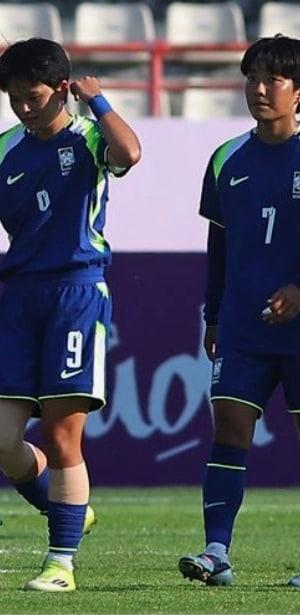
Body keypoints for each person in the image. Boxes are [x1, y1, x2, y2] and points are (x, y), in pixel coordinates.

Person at [0, 38, 141, 592]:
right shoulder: (3, 152)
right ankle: (67, 507)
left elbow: (131, 154)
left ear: (62, 89)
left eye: (34, 95)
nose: (24, 106)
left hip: (75, 294)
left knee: (63, 436)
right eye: (15, 97)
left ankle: (61, 564)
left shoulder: (91, 136)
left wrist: (100, 102)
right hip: (20, 300)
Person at [178, 35, 300, 588]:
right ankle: (216, 553)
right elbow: (219, 244)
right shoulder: (227, 157)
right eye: (252, 77)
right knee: (229, 429)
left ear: (299, 90)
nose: (259, 89)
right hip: (244, 326)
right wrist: (213, 313)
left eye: (273, 79)